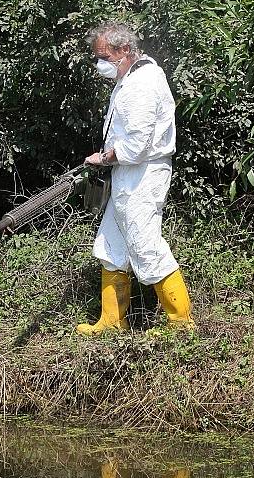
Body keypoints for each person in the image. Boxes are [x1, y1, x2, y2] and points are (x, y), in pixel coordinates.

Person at [76, 21, 194, 336]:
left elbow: (137, 144)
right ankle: (112, 322)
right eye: (98, 56)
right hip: (128, 173)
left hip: (144, 174)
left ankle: (180, 324)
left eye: (105, 56)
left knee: (145, 244)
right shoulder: (130, 78)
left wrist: (103, 158)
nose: (101, 63)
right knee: (112, 244)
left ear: (125, 50)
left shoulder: (143, 83)